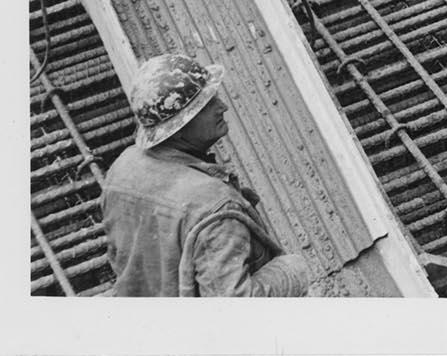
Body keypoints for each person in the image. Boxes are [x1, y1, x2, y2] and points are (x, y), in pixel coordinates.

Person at [100, 52, 313, 297]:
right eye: (207, 104)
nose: (222, 107)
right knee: (294, 268)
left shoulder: (122, 167)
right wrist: (291, 274)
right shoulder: (214, 204)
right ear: (179, 127)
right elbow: (230, 308)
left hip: (142, 304)